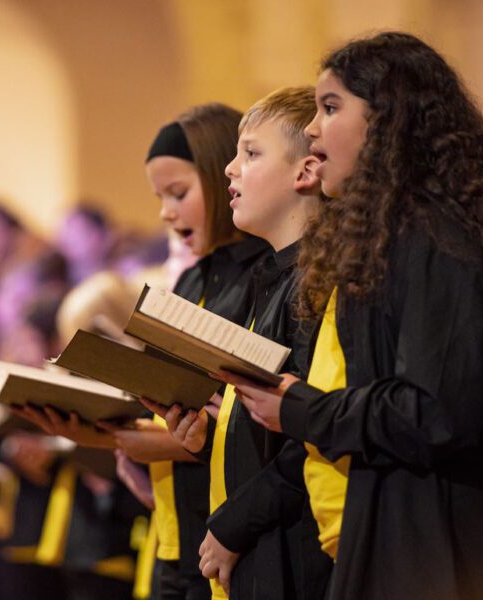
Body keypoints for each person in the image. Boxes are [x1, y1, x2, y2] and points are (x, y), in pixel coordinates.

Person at [217, 32, 483, 599]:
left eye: (331, 107)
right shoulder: (394, 240)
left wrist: (301, 407)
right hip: (400, 536)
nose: (316, 130)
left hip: (453, 552)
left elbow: (436, 413)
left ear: (389, 119)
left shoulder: (445, 242)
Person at [19, 104, 269, 600]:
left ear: (223, 180)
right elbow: (176, 401)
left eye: (178, 194)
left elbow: (243, 419)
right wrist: (102, 429)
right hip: (173, 528)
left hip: (232, 532)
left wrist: (127, 441)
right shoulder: (195, 278)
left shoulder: (258, 277)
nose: (165, 213)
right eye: (159, 197)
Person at [156, 86, 332, 599]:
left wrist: (235, 524)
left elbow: (315, 429)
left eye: (250, 154)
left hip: (295, 553)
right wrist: (207, 435)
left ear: (306, 171)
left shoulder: (317, 279)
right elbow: (266, 422)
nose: (230, 169)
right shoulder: (272, 275)